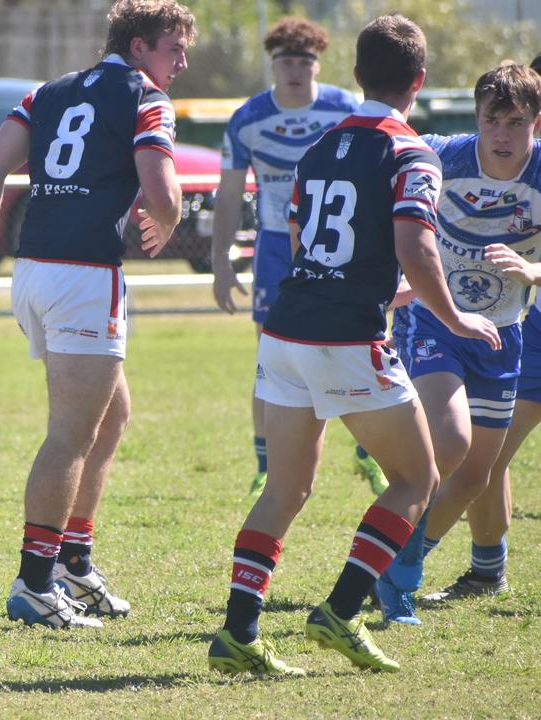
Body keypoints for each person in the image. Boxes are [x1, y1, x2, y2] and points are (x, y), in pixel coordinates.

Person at [205, 14, 501, 677]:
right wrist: (453, 317)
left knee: (285, 488)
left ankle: (238, 632)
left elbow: (309, 242)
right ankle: (339, 612)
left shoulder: (318, 146)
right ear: (418, 82)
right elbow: (416, 246)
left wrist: (385, 292)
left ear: (357, 76)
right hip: (344, 340)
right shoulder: (410, 151)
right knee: (416, 479)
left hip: (285, 330)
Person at [0, 0, 194, 629]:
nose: (182, 64)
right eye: (174, 50)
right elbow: (162, 193)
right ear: (138, 47)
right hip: (84, 278)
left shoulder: (46, 92)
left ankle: (74, 563)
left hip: (32, 272)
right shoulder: (146, 97)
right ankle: (35, 582)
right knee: (71, 436)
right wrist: (169, 219)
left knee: (113, 417)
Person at [375, 62, 541, 623]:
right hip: (436, 320)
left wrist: (532, 270)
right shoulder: (440, 154)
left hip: (503, 332)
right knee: (450, 441)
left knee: (476, 476)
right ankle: (398, 576)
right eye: (492, 119)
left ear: (536, 125)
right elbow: (376, 194)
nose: (502, 134)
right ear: (475, 118)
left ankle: (399, 563)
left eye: (515, 122)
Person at [210, 18, 389, 498]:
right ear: (272, 65)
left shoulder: (345, 108)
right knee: (272, 359)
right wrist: (221, 260)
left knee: (366, 344)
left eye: (304, 61)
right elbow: (228, 196)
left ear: (319, 65)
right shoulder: (248, 117)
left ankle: (372, 454)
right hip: (274, 248)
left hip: (344, 246)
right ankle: (266, 465)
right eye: (285, 61)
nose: (295, 70)